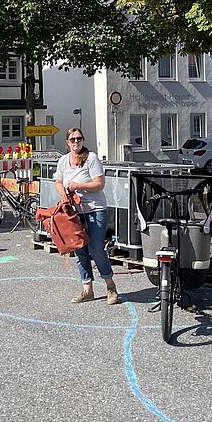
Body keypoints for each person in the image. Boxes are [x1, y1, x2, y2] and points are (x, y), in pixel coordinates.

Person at [54, 127, 119, 305]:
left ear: (83, 140)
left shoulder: (91, 158)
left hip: (95, 209)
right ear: (67, 143)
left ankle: (110, 286)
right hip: (75, 212)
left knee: (96, 249)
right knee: (79, 250)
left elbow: (99, 184)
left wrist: (78, 186)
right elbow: (58, 182)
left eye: (79, 138)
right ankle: (87, 290)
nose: (76, 142)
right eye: (73, 139)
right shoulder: (63, 161)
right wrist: (64, 194)